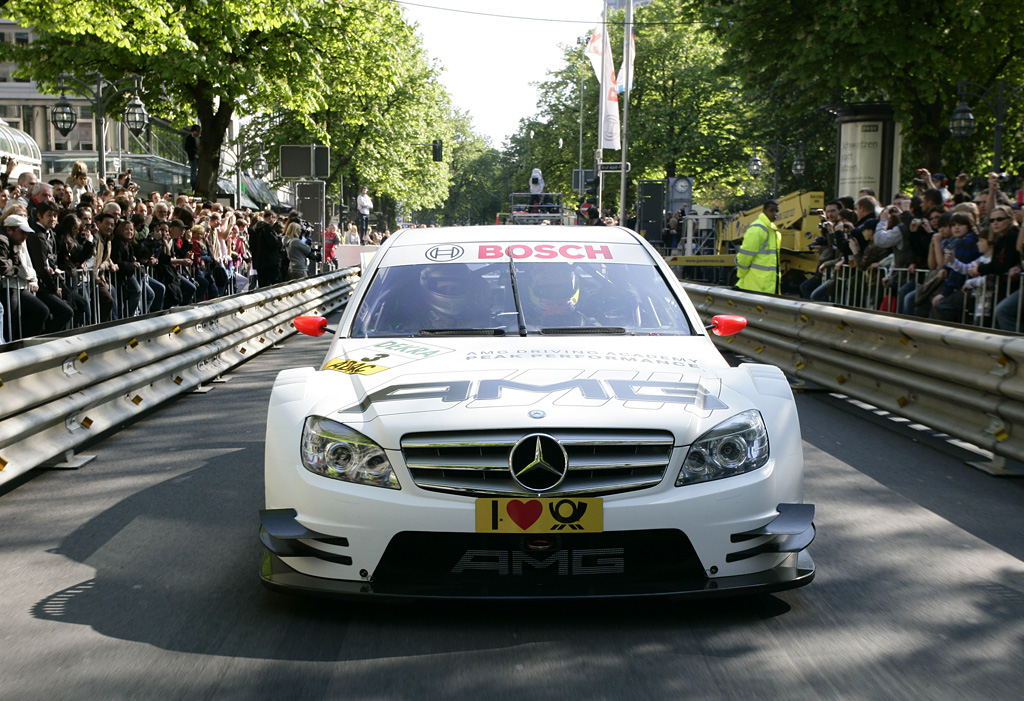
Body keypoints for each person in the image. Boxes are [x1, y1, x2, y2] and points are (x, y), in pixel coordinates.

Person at [735, 200, 781, 294]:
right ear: (764, 211)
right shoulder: (758, 229)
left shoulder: (772, 230)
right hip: (755, 284)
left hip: (766, 285)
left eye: (777, 211)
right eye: (772, 210)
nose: (775, 214)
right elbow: (745, 256)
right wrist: (741, 275)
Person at [184, 124, 201, 192]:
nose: (198, 132)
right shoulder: (189, 138)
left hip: (200, 157)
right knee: (193, 171)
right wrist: (195, 149)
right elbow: (187, 147)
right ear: (193, 131)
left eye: (199, 131)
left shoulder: (201, 138)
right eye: (196, 130)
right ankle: (193, 186)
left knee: (198, 171)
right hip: (193, 157)